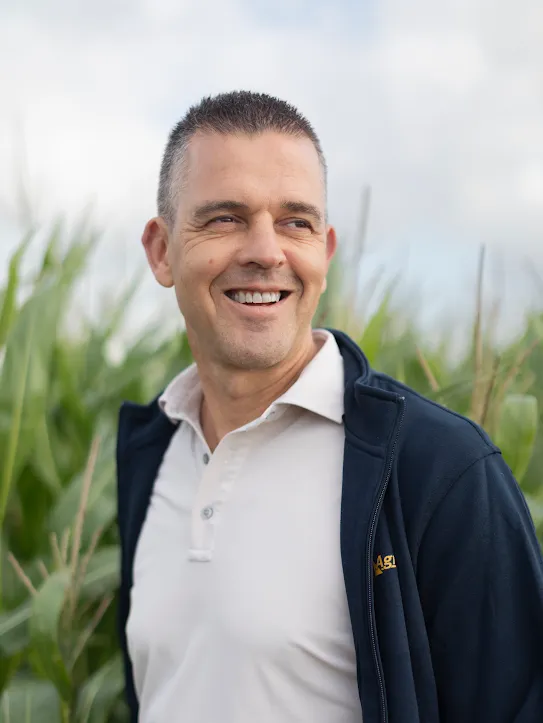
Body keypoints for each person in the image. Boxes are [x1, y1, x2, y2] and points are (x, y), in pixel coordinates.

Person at [116, 90, 543, 723]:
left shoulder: (441, 472)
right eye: (225, 218)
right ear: (161, 250)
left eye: (296, 222)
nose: (267, 251)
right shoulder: (151, 455)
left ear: (326, 249)